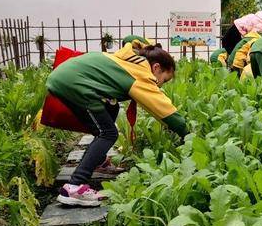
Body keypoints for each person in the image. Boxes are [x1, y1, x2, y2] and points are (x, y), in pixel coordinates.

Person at [46, 41, 188, 207]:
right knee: (108, 133)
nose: (162, 84)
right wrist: (187, 134)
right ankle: (74, 187)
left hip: (64, 76)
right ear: (156, 68)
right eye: (164, 79)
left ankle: (97, 160)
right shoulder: (140, 74)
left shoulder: (129, 58)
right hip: (75, 83)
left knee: (110, 110)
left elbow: (131, 38)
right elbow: (164, 109)